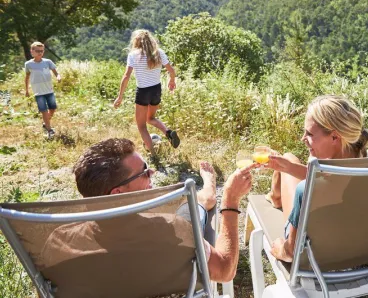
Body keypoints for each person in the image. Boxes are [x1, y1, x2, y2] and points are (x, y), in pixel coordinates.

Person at [41, 138, 253, 288]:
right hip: (171, 230)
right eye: (144, 172)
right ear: (118, 194)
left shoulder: (59, 243)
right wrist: (230, 202)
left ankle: (205, 193)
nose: (152, 172)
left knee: (192, 207)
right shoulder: (172, 231)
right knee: (197, 207)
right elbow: (225, 271)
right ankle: (208, 191)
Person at [264, 95, 368, 262]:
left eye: (309, 133)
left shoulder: (308, 189)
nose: (303, 138)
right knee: (288, 162)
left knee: (288, 157)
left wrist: (280, 248)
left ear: (334, 137)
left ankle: (275, 197)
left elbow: (292, 253)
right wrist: (288, 166)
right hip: (360, 246)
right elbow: (334, 180)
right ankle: (276, 193)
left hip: (317, 255)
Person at [114, 29, 179, 153]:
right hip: (156, 90)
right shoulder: (159, 53)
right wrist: (172, 81)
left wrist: (120, 96)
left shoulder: (133, 55)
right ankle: (168, 132)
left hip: (143, 91)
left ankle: (154, 155)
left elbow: (126, 76)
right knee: (150, 118)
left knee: (142, 126)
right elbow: (171, 71)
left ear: (136, 41)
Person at [24, 42, 61, 139]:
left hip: (49, 90)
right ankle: (49, 129)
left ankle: (45, 123)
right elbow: (27, 77)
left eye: (42, 51)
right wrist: (26, 90)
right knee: (44, 110)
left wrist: (58, 77)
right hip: (38, 92)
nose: (40, 53)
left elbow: (56, 73)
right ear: (32, 51)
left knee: (52, 109)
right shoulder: (28, 64)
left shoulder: (48, 62)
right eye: (37, 51)